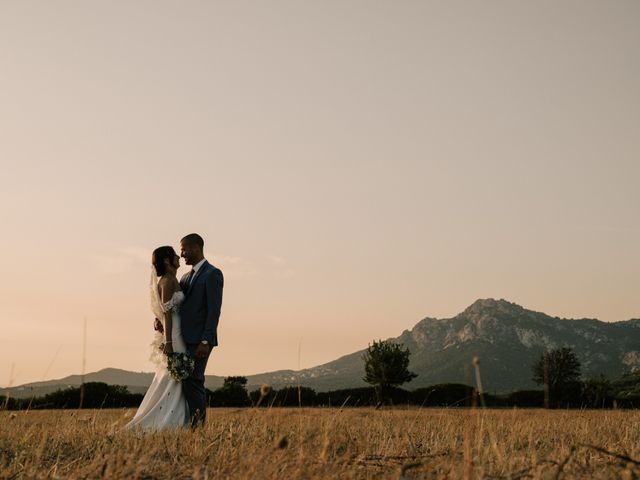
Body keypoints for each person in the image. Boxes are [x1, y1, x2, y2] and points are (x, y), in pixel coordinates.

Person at [124, 246, 189, 431]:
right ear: (167, 260)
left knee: (175, 377)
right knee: (175, 376)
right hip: (174, 336)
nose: (179, 256)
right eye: (175, 254)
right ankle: (169, 422)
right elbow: (167, 313)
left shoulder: (172, 279)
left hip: (177, 331)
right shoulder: (167, 281)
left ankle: (176, 419)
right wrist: (168, 342)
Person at [177, 233, 224, 428]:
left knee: (194, 380)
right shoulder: (185, 277)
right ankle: (189, 423)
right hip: (182, 339)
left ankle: (198, 427)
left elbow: (214, 310)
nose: (181, 254)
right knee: (186, 381)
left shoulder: (212, 273)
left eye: (184, 249)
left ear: (196, 247)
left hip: (200, 340)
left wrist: (205, 340)